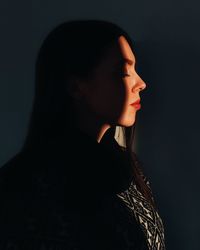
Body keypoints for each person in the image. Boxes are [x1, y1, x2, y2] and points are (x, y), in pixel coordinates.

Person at [0, 20, 166, 249]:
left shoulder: (126, 168)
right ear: (76, 87)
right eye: (122, 71)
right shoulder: (28, 188)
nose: (141, 83)